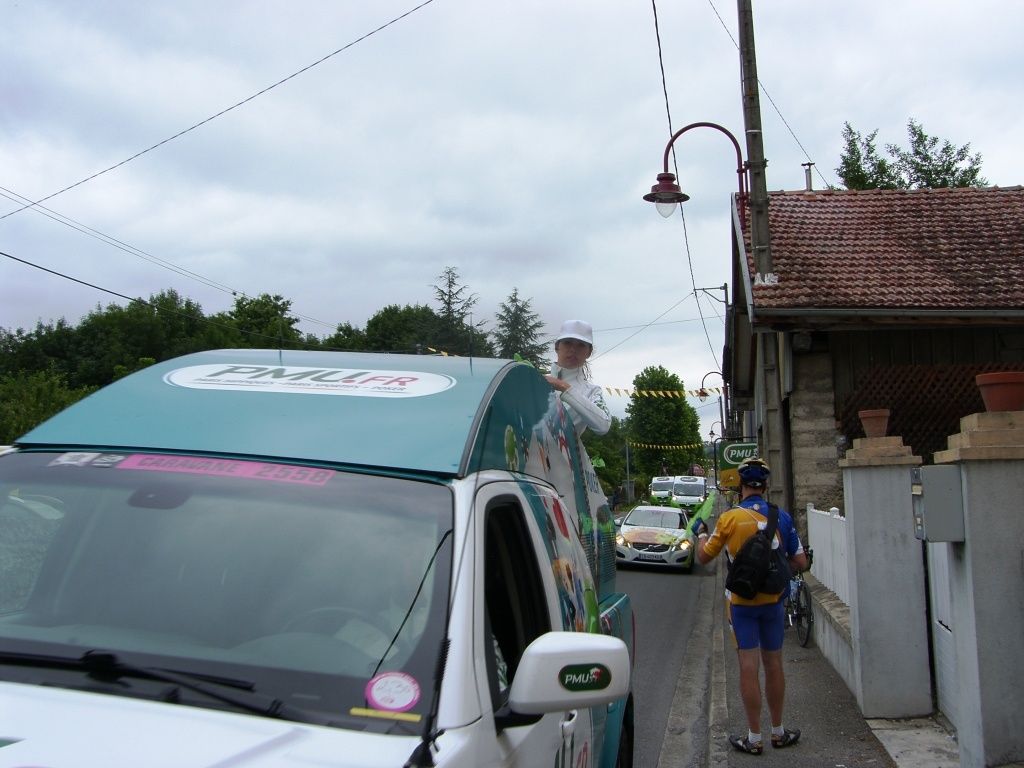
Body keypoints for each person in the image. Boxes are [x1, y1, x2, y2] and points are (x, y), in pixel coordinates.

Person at [694, 456, 809, 755]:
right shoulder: (782, 517)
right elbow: (800, 561)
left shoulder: (729, 519)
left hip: (742, 604)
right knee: (774, 663)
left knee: (748, 665)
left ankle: (754, 738)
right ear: (765, 487)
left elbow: (704, 557)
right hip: (774, 602)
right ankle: (778, 732)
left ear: (741, 486)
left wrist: (701, 534)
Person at [544, 320, 611, 437]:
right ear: (557, 347)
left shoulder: (592, 391)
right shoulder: (537, 381)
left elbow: (604, 426)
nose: (573, 349)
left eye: (581, 345)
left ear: (589, 352)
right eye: (567, 342)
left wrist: (565, 388)